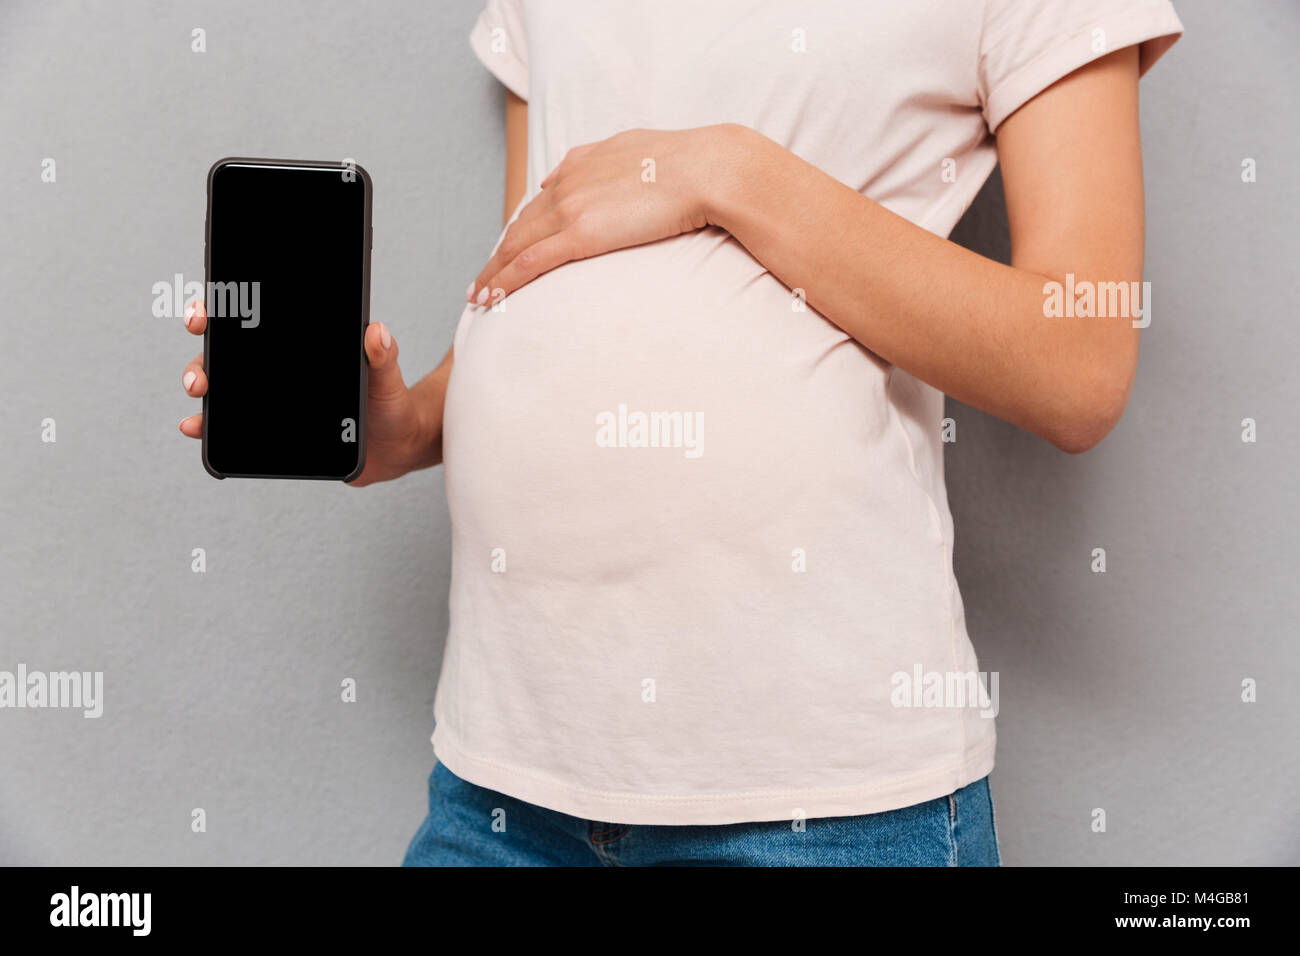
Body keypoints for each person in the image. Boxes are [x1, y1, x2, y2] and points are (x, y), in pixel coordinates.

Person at [178, 0, 1183, 866]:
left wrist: (723, 170)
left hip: (818, 804)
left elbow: (1078, 361)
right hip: (503, 773)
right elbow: (537, 262)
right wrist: (407, 422)